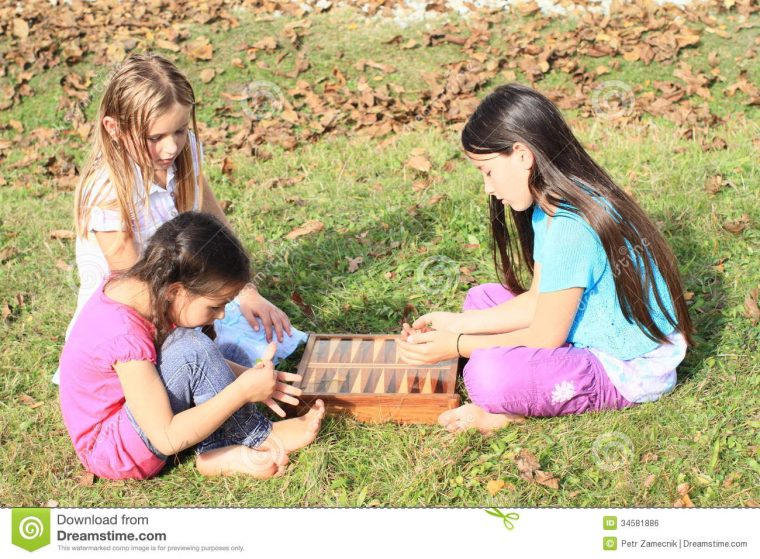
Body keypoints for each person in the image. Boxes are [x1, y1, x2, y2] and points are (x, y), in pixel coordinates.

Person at [398, 83, 694, 434]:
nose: (488, 188)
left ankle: (505, 413)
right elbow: (536, 300)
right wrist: (454, 323)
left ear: (523, 155)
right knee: (480, 299)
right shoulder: (549, 208)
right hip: (576, 327)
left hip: (626, 365)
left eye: (487, 171)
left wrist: (458, 344)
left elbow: (544, 334)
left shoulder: (572, 228)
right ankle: (511, 366)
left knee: (486, 376)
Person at [52, 52, 305, 386]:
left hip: (186, 293)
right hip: (141, 314)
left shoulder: (185, 153)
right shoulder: (107, 192)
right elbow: (134, 289)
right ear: (113, 128)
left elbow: (214, 226)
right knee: (199, 363)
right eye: (155, 138)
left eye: (180, 131)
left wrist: (245, 290)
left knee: (259, 336)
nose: (171, 148)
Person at [59, 212, 324, 480]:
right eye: (215, 305)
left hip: (137, 414)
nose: (221, 315)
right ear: (175, 291)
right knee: (193, 349)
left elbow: (203, 364)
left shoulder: (145, 290)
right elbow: (166, 438)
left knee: (228, 353)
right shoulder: (123, 336)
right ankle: (258, 433)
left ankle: (215, 451)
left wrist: (248, 376)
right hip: (115, 450)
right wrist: (242, 391)